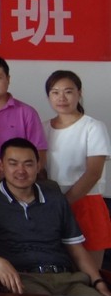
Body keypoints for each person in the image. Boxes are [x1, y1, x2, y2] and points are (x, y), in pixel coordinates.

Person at [0, 138, 111, 296]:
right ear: (1, 166)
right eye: (13, 164)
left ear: (38, 166)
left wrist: (99, 283)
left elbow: (76, 249)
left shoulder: (56, 199)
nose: (21, 170)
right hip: (24, 279)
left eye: (28, 164)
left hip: (68, 279)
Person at [42, 71, 111, 268]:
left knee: (91, 273)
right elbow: (39, 168)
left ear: (79, 93)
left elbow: (93, 173)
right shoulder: (43, 127)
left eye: (68, 91)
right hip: (51, 204)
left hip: (86, 203)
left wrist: (64, 203)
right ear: (49, 96)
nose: (61, 98)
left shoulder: (93, 127)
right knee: (58, 271)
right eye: (55, 92)